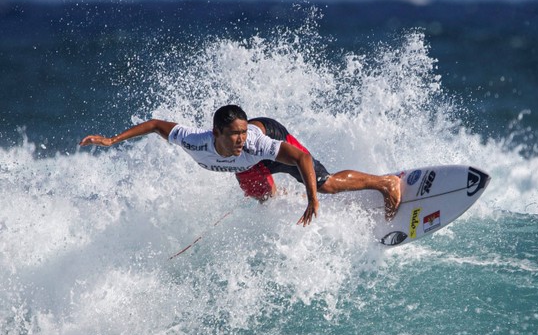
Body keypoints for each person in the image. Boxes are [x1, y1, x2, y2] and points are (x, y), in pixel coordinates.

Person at [79, 104, 401, 226]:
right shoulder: (193, 140)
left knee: (324, 183)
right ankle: (295, 200)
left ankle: (385, 183)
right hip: (243, 167)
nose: (240, 139)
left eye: (243, 133)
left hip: (271, 137)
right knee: (263, 200)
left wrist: (312, 198)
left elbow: (301, 158)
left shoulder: (257, 142)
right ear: (217, 133)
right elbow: (153, 125)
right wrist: (111, 141)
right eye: (234, 134)